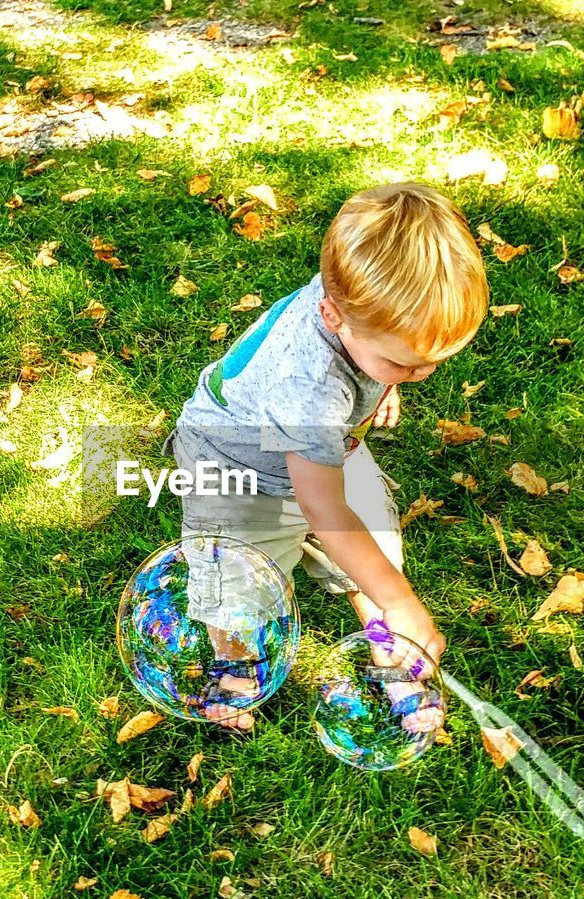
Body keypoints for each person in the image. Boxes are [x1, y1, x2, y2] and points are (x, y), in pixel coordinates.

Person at [166, 182, 489, 731]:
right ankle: (235, 662)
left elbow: (378, 351)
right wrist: (405, 598)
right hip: (235, 461)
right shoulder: (309, 384)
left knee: (375, 547)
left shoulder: (361, 300)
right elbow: (322, 505)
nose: (422, 373)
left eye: (430, 362)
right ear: (334, 315)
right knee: (238, 580)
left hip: (322, 445)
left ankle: (390, 650)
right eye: (403, 364)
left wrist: (386, 380)